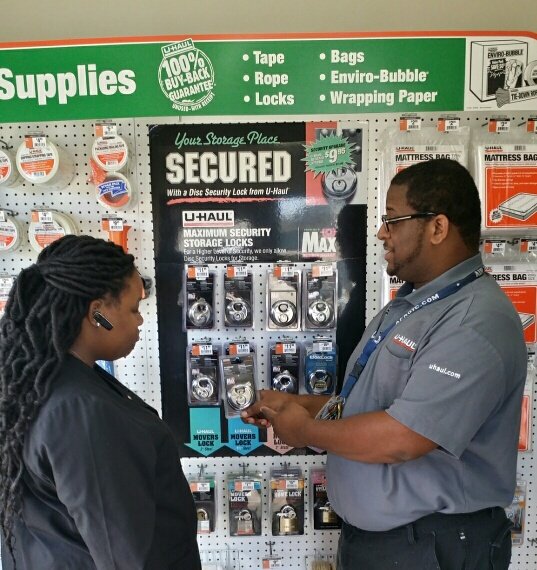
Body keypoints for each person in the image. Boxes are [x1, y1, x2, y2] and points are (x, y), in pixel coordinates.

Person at [243, 158, 527, 570]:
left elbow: (404, 437)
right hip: (388, 544)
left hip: (431, 546)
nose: (381, 233)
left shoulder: (473, 321)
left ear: (438, 227)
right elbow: (368, 408)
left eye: (392, 220)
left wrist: (303, 430)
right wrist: (295, 405)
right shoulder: (413, 305)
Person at [0, 235, 201, 570]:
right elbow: (121, 551)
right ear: (98, 315)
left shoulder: (51, 383)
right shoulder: (79, 411)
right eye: (133, 309)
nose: (140, 320)